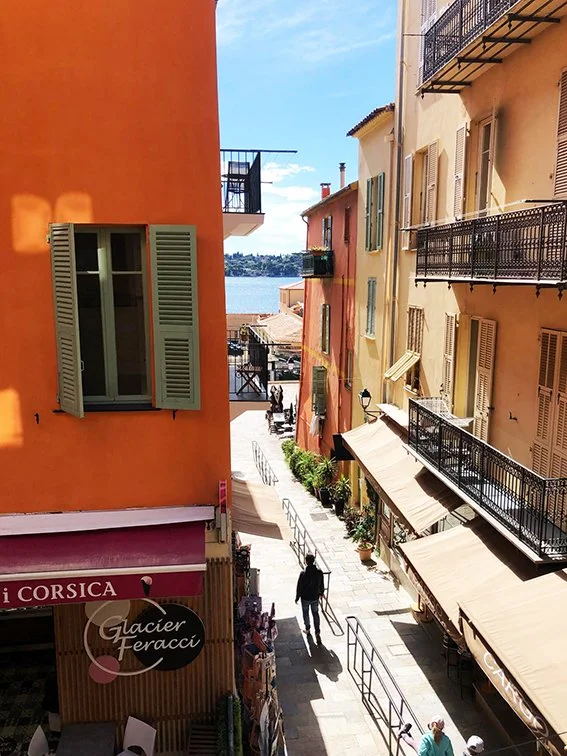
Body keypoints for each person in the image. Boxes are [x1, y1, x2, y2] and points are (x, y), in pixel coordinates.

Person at [295, 553, 324, 643]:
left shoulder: (303, 573)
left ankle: (307, 629)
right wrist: (321, 593)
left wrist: (297, 597)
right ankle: (317, 632)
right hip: (315, 597)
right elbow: (321, 584)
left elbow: (299, 586)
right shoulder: (319, 572)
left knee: (306, 613)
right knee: (315, 613)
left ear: (306, 561)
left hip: (305, 598)